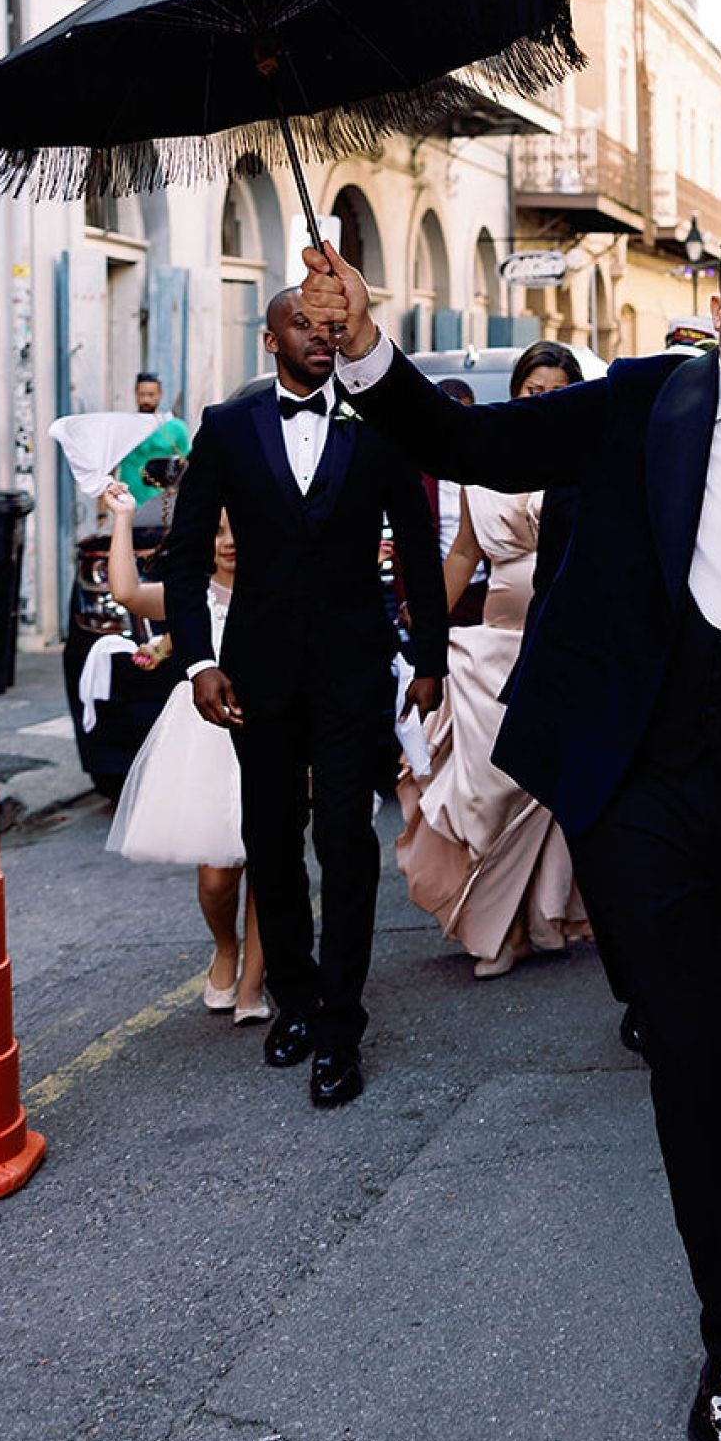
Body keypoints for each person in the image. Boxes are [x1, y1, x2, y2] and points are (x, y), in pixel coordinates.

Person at [301, 223, 721, 1441]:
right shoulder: (646, 396)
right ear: (720, 301)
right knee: (692, 1049)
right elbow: (473, 442)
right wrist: (366, 344)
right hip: (641, 785)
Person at [162, 283, 447, 1110]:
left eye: (332, 326)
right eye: (305, 325)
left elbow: (419, 549)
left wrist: (426, 655)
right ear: (269, 338)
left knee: (346, 840)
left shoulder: (376, 422)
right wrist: (197, 663)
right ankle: (293, 996)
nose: (322, 336)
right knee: (271, 838)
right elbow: (184, 559)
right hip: (257, 673)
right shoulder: (226, 428)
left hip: (355, 670)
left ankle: (341, 1026)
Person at [397, 340, 593, 980]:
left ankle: (542, 917)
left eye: (558, 391)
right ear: (515, 396)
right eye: (533, 391)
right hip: (491, 648)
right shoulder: (483, 463)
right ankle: (494, 929)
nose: (544, 401)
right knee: (489, 792)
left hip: (563, 642)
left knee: (546, 795)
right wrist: (427, 618)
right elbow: (462, 554)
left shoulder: (588, 458)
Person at [101, 479, 267, 1023]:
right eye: (217, 531)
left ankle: (253, 983)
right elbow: (127, 592)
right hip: (206, 738)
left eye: (237, 529)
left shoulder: (278, 586)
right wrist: (122, 517)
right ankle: (225, 945)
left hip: (270, 733)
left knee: (271, 862)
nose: (228, 542)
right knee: (216, 876)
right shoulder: (190, 595)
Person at [115, 370, 191, 503]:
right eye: (142, 394)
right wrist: (101, 512)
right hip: (128, 504)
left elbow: (187, 467)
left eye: (151, 395)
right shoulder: (123, 427)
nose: (146, 399)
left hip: (164, 505)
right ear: (135, 394)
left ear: (160, 394)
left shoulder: (175, 428)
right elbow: (109, 467)